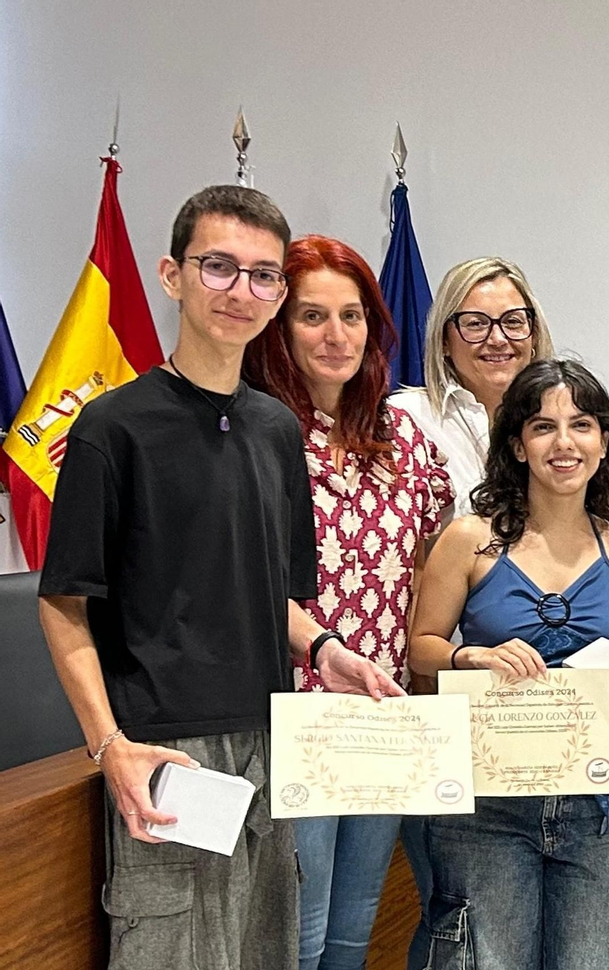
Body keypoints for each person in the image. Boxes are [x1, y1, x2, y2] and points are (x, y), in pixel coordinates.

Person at [38, 185, 400, 970]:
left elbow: (274, 596)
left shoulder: (276, 429)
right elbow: (64, 608)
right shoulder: (111, 428)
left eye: (265, 275)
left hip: (271, 746)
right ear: (172, 276)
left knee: (265, 950)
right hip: (164, 754)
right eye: (219, 267)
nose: (243, 291)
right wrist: (110, 746)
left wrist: (328, 650)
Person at [243, 235, 453, 970]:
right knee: (295, 933)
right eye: (312, 317)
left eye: (353, 315)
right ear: (278, 326)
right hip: (287, 711)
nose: (337, 336)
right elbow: (240, 580)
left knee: (355, 927)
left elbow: (437, 563)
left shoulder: (405, 439)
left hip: (382, 708)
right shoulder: (252, 432)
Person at [406, 358, 609, 970]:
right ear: (517, 444)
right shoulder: (469, 539)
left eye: (582, 425)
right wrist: (472, 656)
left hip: (591, 801)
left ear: (604, 443)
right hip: (485, 804)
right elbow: (420, 651)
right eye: (543, 427)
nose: (563, 443)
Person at [388, 256, 609, 531]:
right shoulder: (406, 420)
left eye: (514, 322)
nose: (497, 339)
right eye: (475, 324)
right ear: (444, 341)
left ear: (534, 334)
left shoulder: (580, 414)